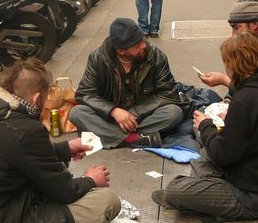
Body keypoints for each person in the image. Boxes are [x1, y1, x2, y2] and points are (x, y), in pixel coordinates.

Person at [0, 58, 121, 223]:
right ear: (37, 98)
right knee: (107, 200)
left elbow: (14, 153)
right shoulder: (26, 129)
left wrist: (64, 149)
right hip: (2, 216)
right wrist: (91, 179)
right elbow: (65, 191)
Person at [152, 33, 258, 221]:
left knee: (176, 190)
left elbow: (224, 156)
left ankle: (199, 198)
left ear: (233, 66)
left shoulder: (245, 100)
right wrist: (229, 120)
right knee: (204, 144)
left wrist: (206, 125)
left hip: (257, 196)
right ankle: (203, 189)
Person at [70, 18, 189, 149]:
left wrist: (133, 113)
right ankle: (134, 139)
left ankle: (109, 134)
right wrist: (113, 111)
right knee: (77, 112)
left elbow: (168, 94)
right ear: (121, 51)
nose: (143, 46)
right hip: (111, 116)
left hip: (143, 115)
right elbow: (84, 93)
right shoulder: (98, 58)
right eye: (136, 45)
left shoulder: (156, 56)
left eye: (142, 40)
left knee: (174, 112)